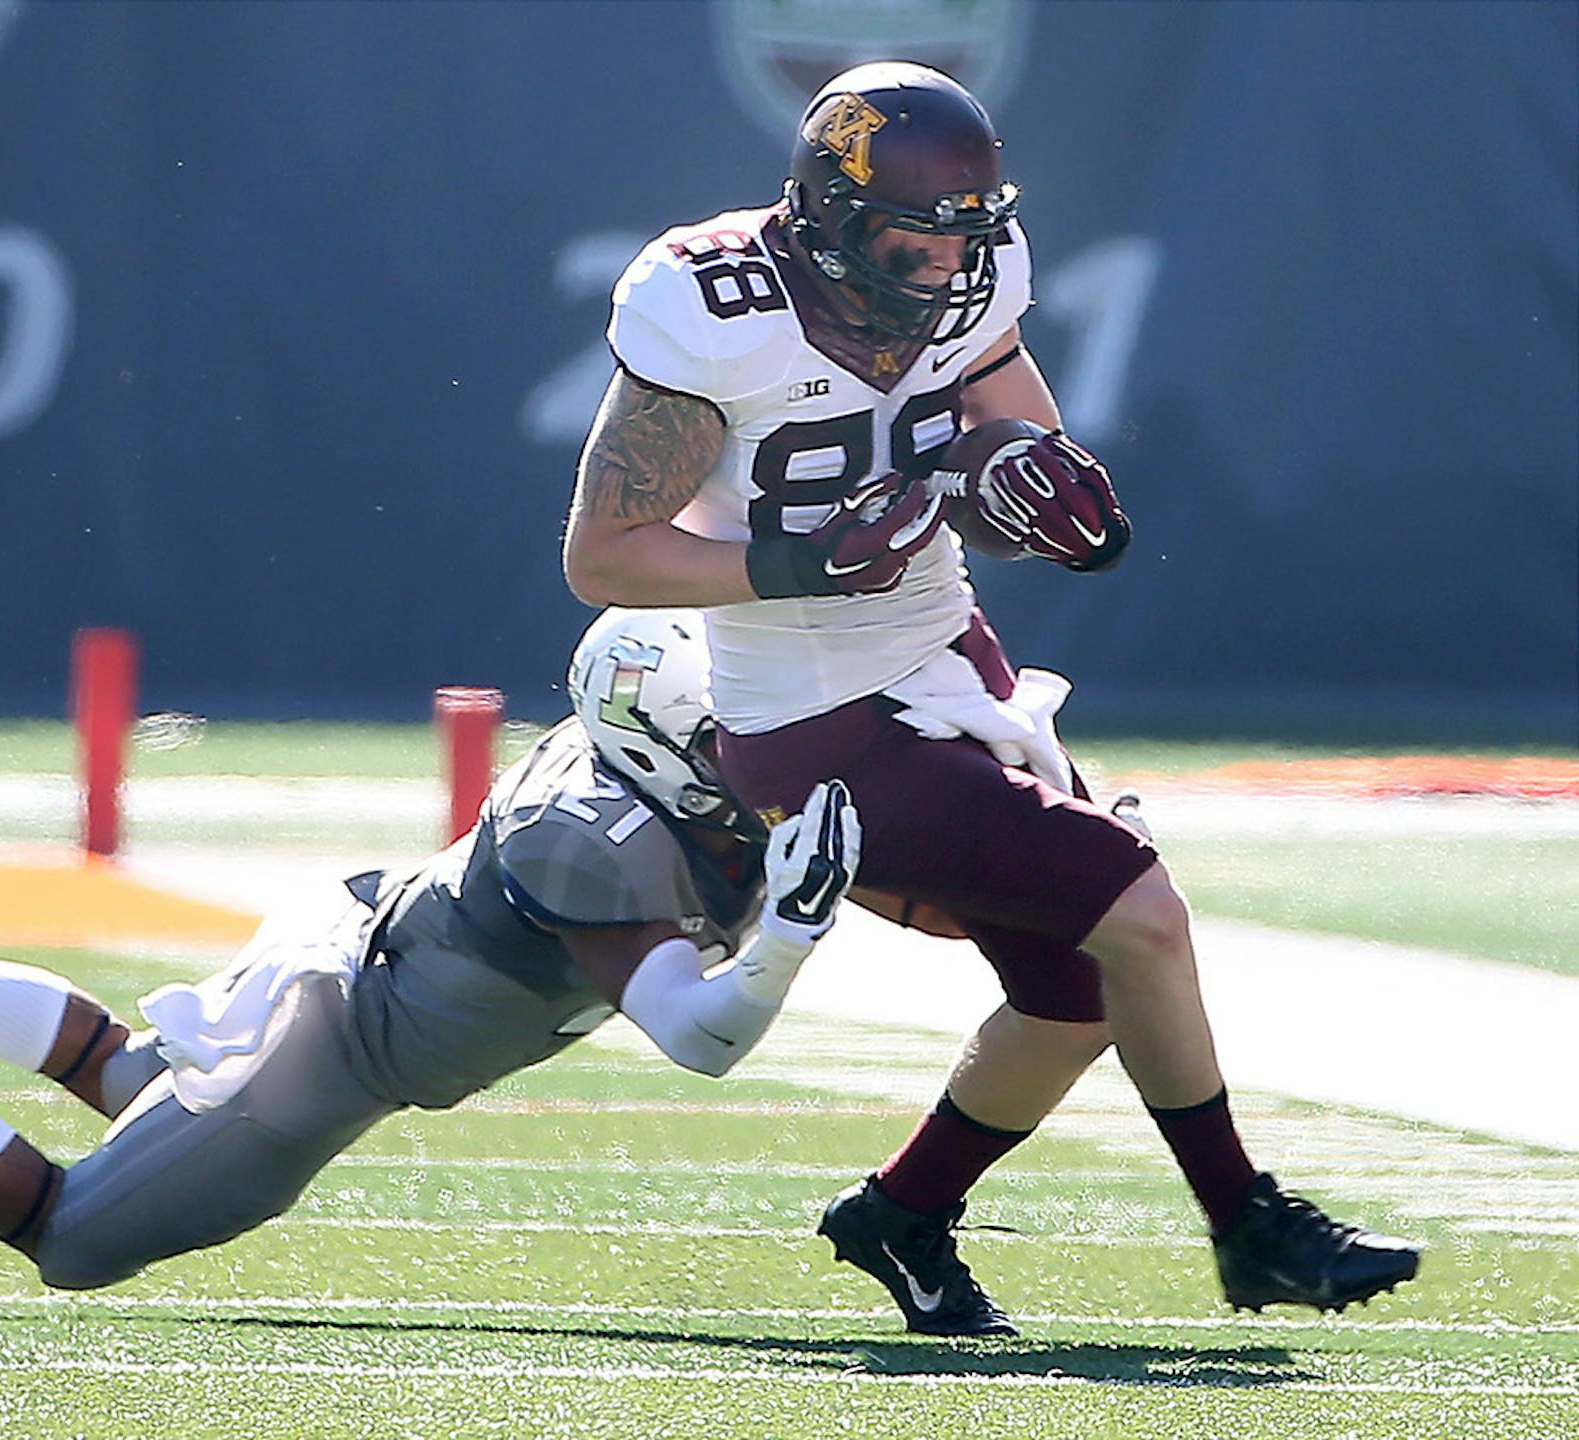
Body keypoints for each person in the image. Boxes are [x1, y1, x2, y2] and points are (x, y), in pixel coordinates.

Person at [562, 61, 1419, 1334]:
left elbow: (1017, 450)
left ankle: (902, 1213)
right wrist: (799, 562)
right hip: (809, 716)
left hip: (952, 661)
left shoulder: (973, 277)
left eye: (963, 236)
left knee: (1078, 996)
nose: (942, 266)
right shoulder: (716, 306)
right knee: (1142, 915)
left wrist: (1053, 506)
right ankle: (1250, 1225)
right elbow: (606, 558)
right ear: (829, 217)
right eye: (913, 237)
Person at [0, 609, 863, 1287]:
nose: (754, 755)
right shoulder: (597, 846)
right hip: (340, 1043)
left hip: (356, 949)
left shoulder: (645, 777)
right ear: (655, 746)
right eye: (727, 739)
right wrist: (790, 937)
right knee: (72, 1241)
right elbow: (699, 1039)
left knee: (132, 1076)